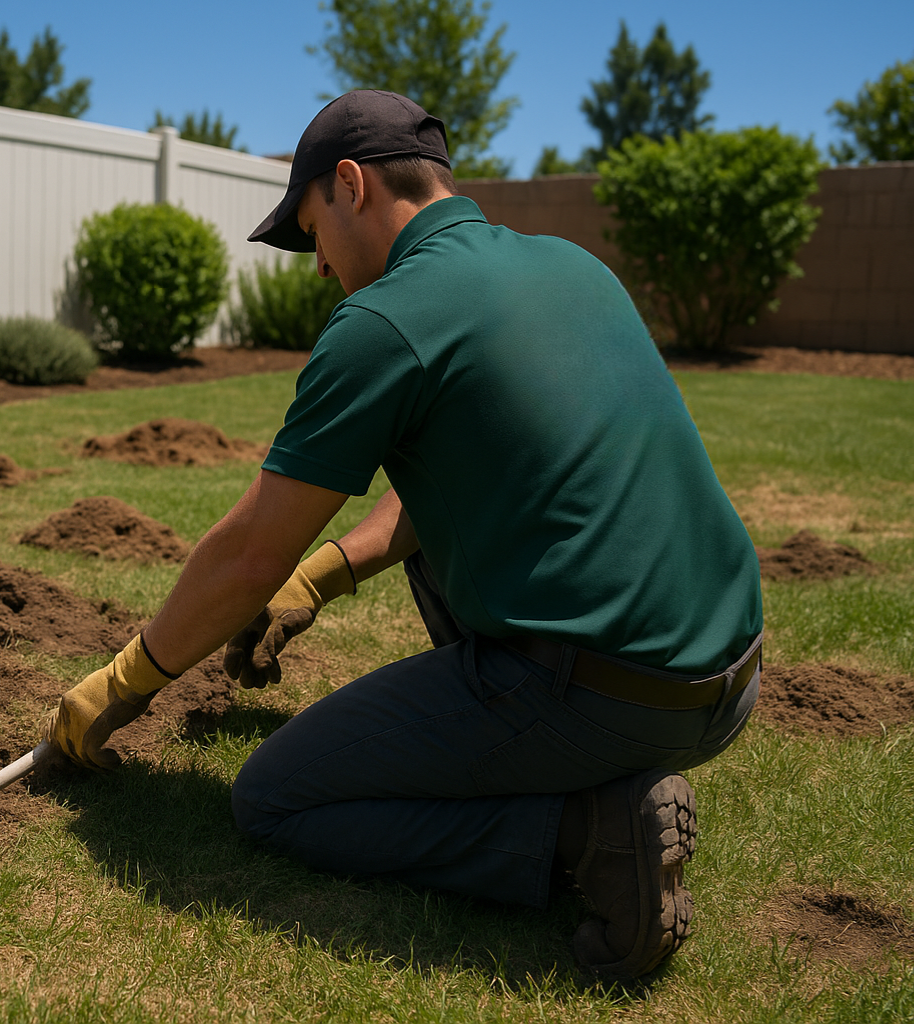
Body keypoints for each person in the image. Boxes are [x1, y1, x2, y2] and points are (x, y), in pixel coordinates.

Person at [42, 90, 762, 980]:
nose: (318, 267)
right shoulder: (571, 265)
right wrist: (321, 577)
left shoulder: (386, 321)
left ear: (351, 185)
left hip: (610, 694)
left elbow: (250, 552)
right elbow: (469, 479)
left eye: (313, 233)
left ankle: (592, 835)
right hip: (727, 677)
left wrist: (127, 680)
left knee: (273, 798)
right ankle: (589, 776)